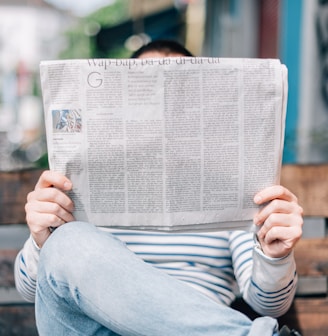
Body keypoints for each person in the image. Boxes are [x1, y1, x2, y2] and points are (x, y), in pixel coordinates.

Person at [15, 40, 303, 336]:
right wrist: (41, 241)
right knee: (68, 242)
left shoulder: (233, 188)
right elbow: (32, 291)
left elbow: (268, 304)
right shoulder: (77, 184)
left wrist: (275, 256)